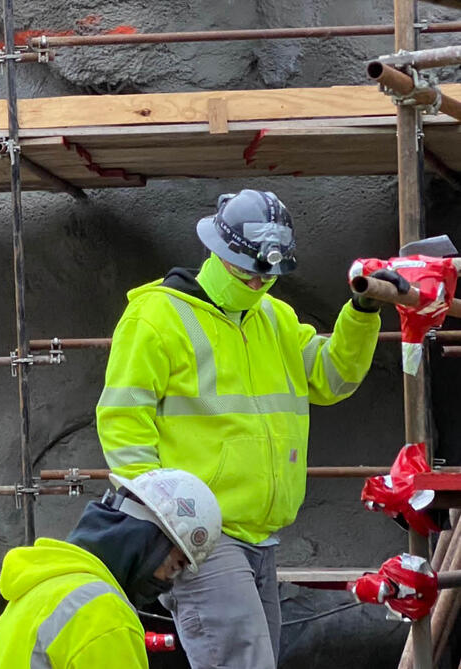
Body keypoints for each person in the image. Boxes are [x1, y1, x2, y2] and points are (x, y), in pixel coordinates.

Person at [95, 189, 405, 669]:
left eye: (269, 274)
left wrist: (362, 312)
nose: (261, 282)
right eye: (251, 270)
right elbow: (122, 422)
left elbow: (331, 376)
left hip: (260, 539)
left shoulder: (273, 317)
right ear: (219, 253)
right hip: (199, 538)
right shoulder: (157, 317)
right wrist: (165, 523)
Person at [0, 468, 221, 669]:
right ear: (147, 543)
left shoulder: (36, 590)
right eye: (174, 566)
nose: (167, 582)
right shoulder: (105, 613)